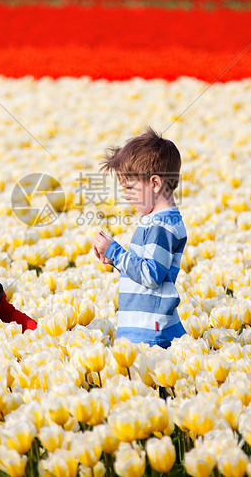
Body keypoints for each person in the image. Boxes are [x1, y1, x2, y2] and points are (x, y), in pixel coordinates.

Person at [93, 127, 187, 347]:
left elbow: (151, 275)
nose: (126, 196)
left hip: (149, 330)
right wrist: (114, 260)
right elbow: (145, 269)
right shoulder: (159, 221)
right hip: (145, 323)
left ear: (154, 184)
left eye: (129, 188)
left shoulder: (161, 227)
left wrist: (115, 251)